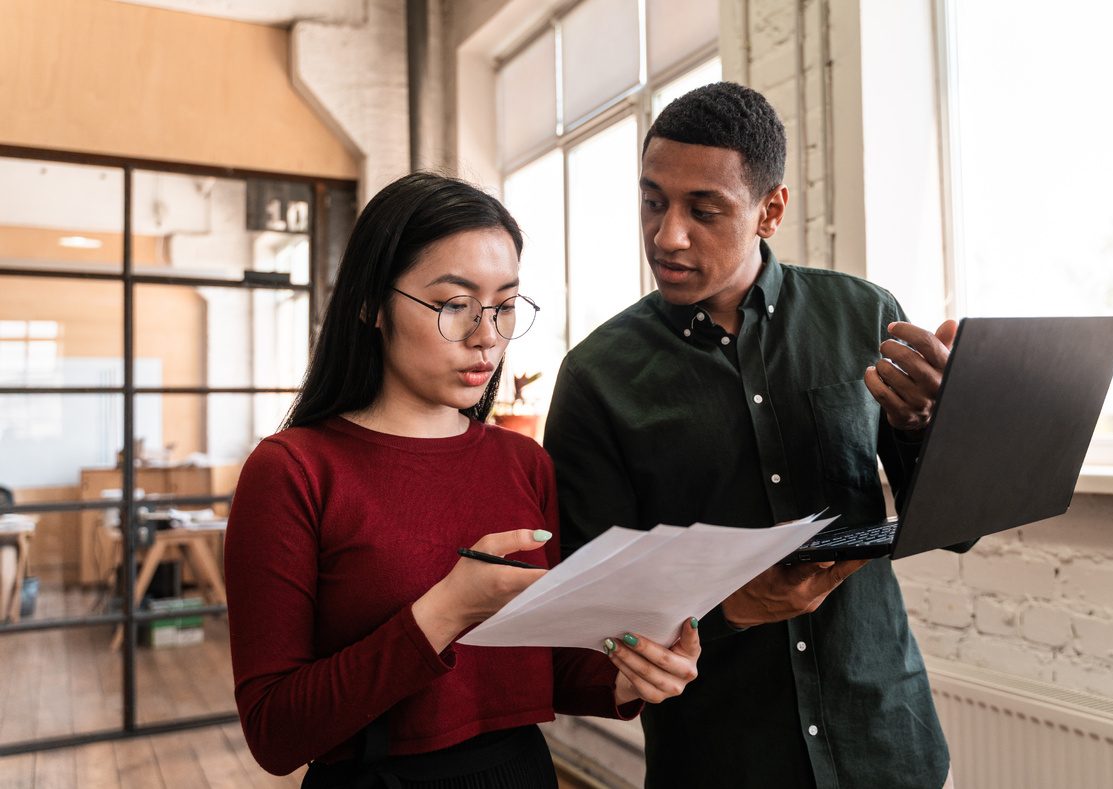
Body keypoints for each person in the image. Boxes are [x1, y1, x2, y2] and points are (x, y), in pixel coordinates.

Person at [543, 82, 966, 788]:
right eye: (653, 201)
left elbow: (956, 530)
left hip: (888, 745)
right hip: (722, 756)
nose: (666, 235)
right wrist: (729, 610)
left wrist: (921, 426)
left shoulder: (866, 314)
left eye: (704, 210)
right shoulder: (595, 377)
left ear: (771, 209)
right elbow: (592, 615)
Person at [224, 172, 701, 788]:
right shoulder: (294, 471)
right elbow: (275, 731)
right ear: (370, 302)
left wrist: (630, 673)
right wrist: (446, 610)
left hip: (520, 772)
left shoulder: (521, 463)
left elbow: (542, 665)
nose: (487, 336)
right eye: (455, 305)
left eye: (504, 306)